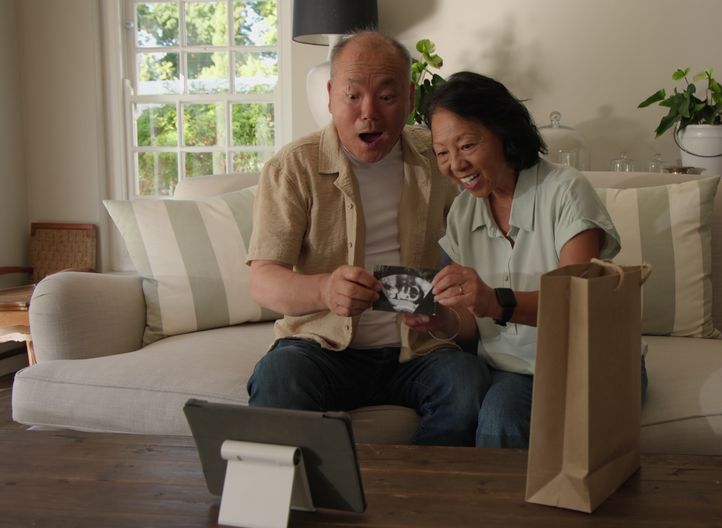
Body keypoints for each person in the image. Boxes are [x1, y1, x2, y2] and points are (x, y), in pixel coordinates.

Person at [245, 32, 490, 447]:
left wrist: (447, 311)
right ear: (330, 96)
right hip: (321, 349)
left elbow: (483, 240)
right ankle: (298, 501)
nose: (368, 114)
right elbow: (262, 280)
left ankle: (424, 496)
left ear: (411, 97)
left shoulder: (439, 160)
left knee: (467, 383)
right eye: (353, 96)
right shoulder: (293, 167)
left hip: (419, 350)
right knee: (278, 377)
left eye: (387, 97)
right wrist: (324, 288)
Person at [405, 71, 647, 449]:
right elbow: (472, 322)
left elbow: (577, 303)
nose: (456, 164)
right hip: (513, 371)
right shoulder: (462, 214)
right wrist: (442, 318)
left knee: (501, 414)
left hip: (586, 365)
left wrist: (494, 300)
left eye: (467, 145)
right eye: (442, 153)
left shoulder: (566, 190)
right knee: (487, 405)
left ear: (503, 132)